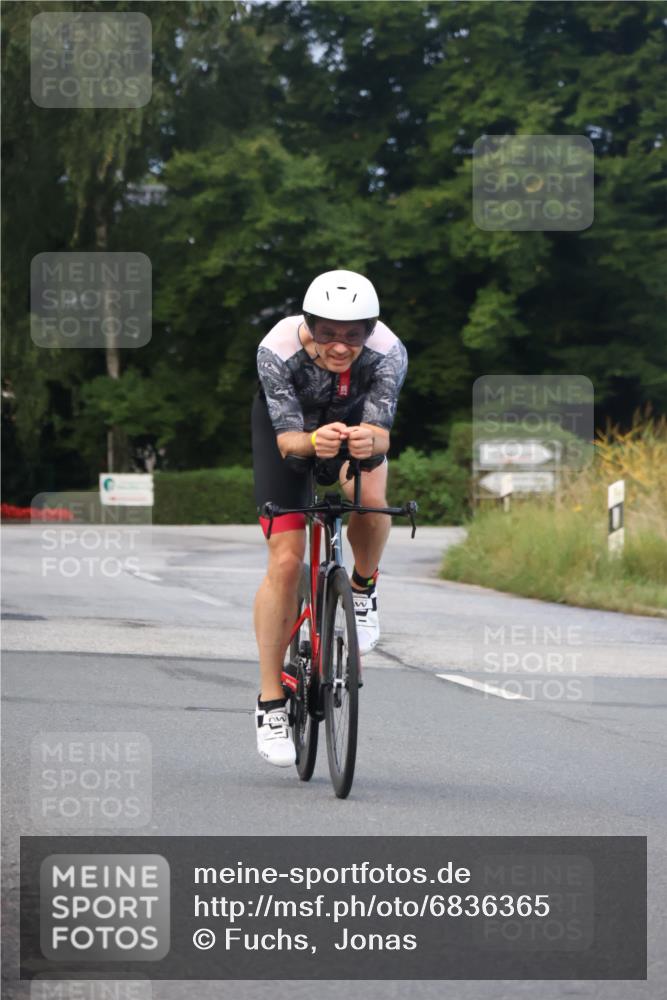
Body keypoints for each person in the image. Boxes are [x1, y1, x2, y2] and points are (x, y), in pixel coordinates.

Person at [251, 269, 408, 766]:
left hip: (355, 425)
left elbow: (382, 431)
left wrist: (371, 440)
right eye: (328, 334)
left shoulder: (390, 352)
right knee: (285, 560)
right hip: (291, 432)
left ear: (369, 330)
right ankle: (271, 702)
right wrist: (311, 441)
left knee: (371, 499)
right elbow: (286, 441)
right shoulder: (276, 349)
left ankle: (362, 588)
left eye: (352, 336)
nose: (340, 347)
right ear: (310, 325)